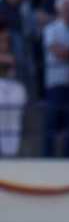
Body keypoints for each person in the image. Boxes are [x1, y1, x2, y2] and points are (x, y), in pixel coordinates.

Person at [42, 0, 69, 158]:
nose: (67, 11)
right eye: (64, 8)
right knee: (52, 121)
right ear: (58, 10)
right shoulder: (50, 29)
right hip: (56, 83)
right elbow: (59, 52)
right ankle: (47, 157)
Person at [0, 24, 26, 156]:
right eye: (2, 39)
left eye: (6, 39)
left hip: (13, 86)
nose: (4, 42)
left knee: (13, 120)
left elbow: (18, 70)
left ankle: (11, 153)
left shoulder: (15, 52)